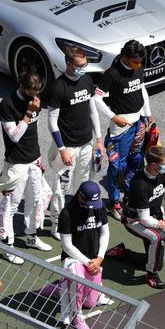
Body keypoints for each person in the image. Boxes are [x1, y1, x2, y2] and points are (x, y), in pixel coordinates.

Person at [106, 146, 165, 289]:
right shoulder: (140, 184)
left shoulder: (162, 174)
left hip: (154, 215)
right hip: (134, 219)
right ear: (154, 165)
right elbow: (144, 219)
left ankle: (122, 253)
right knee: (157, 238)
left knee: (155, 257)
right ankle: (152, 275)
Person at [46, 47, 104, 240]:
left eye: (85, 64)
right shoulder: (58, 87)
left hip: (87, 144)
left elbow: (92, 110)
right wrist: (62, 150)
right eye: (80, 65)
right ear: (69, 64)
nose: (83, 68)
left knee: (84, 184)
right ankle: (56, 224)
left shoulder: (87, 80)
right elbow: (52, 123)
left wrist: (98, 139)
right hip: (67, 148)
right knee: (60, 188)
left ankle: (79, 217)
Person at [0, 72, 52, 264]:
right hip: (16, 164)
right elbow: (14, 136)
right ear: (21, 85)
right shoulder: (7, 105)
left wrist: (36, 159)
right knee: (10, 206)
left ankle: (31, 236)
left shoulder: (35, 98)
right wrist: (28, 114)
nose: (35, 94)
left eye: (38, 90)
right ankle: (7, 246)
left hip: (33, 160)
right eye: (31, 90)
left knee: (36, 200)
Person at [94, 40, 152, 220]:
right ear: (125, 57)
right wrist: (113, 117)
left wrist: (147, 113)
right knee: (116, 167)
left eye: (140, 61)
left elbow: (142, 88)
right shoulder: (112, 74)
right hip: (120, 129)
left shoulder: (139, 67)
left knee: (136, 161)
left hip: (139, 124)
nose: (139, 65)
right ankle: (114, 202)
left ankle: (129, 193)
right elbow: (96, 99)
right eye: (135, 61)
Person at [56, 181, 109, 329]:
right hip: (74, 258)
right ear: (80, 196)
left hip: (94, 259)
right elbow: (67, 246)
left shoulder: (99, 207)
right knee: (77, 278)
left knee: (90, 303)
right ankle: (75, 316)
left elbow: (105, 233)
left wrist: (99, 258)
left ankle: (58, 287)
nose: (92, 207)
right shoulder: (67, 213)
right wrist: (87, 262)